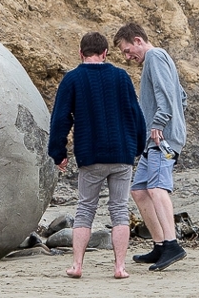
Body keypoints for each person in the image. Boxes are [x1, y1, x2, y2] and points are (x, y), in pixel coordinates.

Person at [48, 32, 147, 279]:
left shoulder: (72, 79)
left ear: (81, 54)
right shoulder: (121, 77)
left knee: (85, 209)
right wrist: (137, 148)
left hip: (90, 155)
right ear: (105, 53)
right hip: (122, 154)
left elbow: (60, 119)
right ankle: (120, 267)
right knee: (120, 210)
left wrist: (58, 153)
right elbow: (136, 115)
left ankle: (77, 265)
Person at [113, 22, 188, 271]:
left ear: (137, 40)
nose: (127, 56)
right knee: (139, 190)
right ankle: (159, 245)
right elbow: (181, 96)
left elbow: (165, 94)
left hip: (160, 138)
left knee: (156, 187)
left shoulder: (155, 56)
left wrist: (160, 123)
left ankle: (172, 245)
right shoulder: (159, 59)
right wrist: (174, 118)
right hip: (155, 138)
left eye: (127, 50)